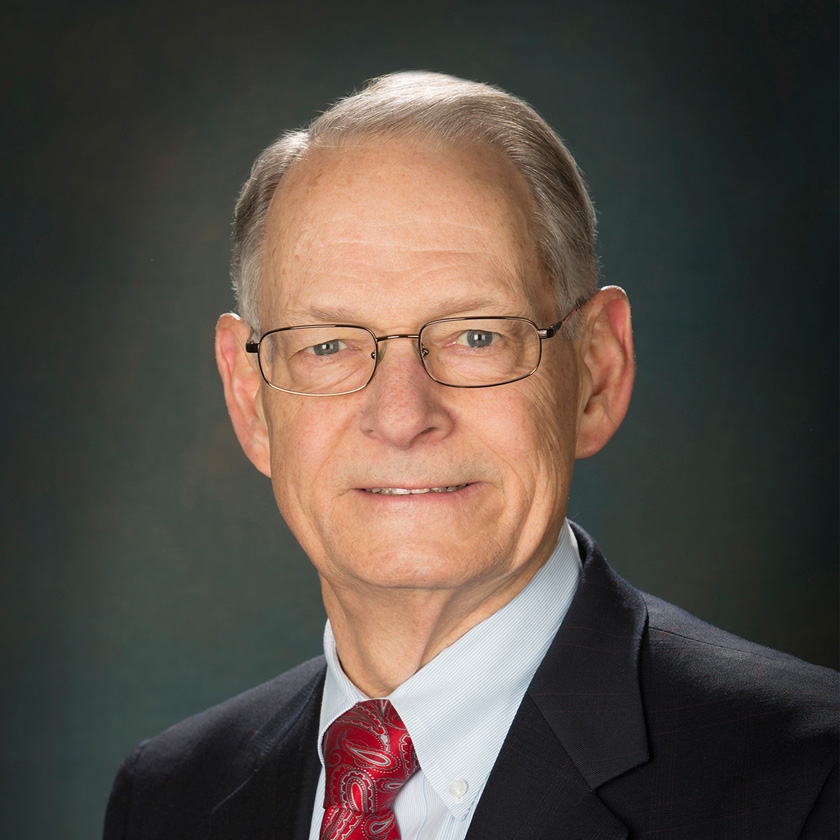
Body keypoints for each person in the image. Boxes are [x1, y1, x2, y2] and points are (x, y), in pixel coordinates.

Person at [103, 72, 838, 840]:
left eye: (476, 336)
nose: (401, 415)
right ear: (251, 400)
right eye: (327, 345)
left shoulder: (807, 782)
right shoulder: (169, 799)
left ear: (597, 372)